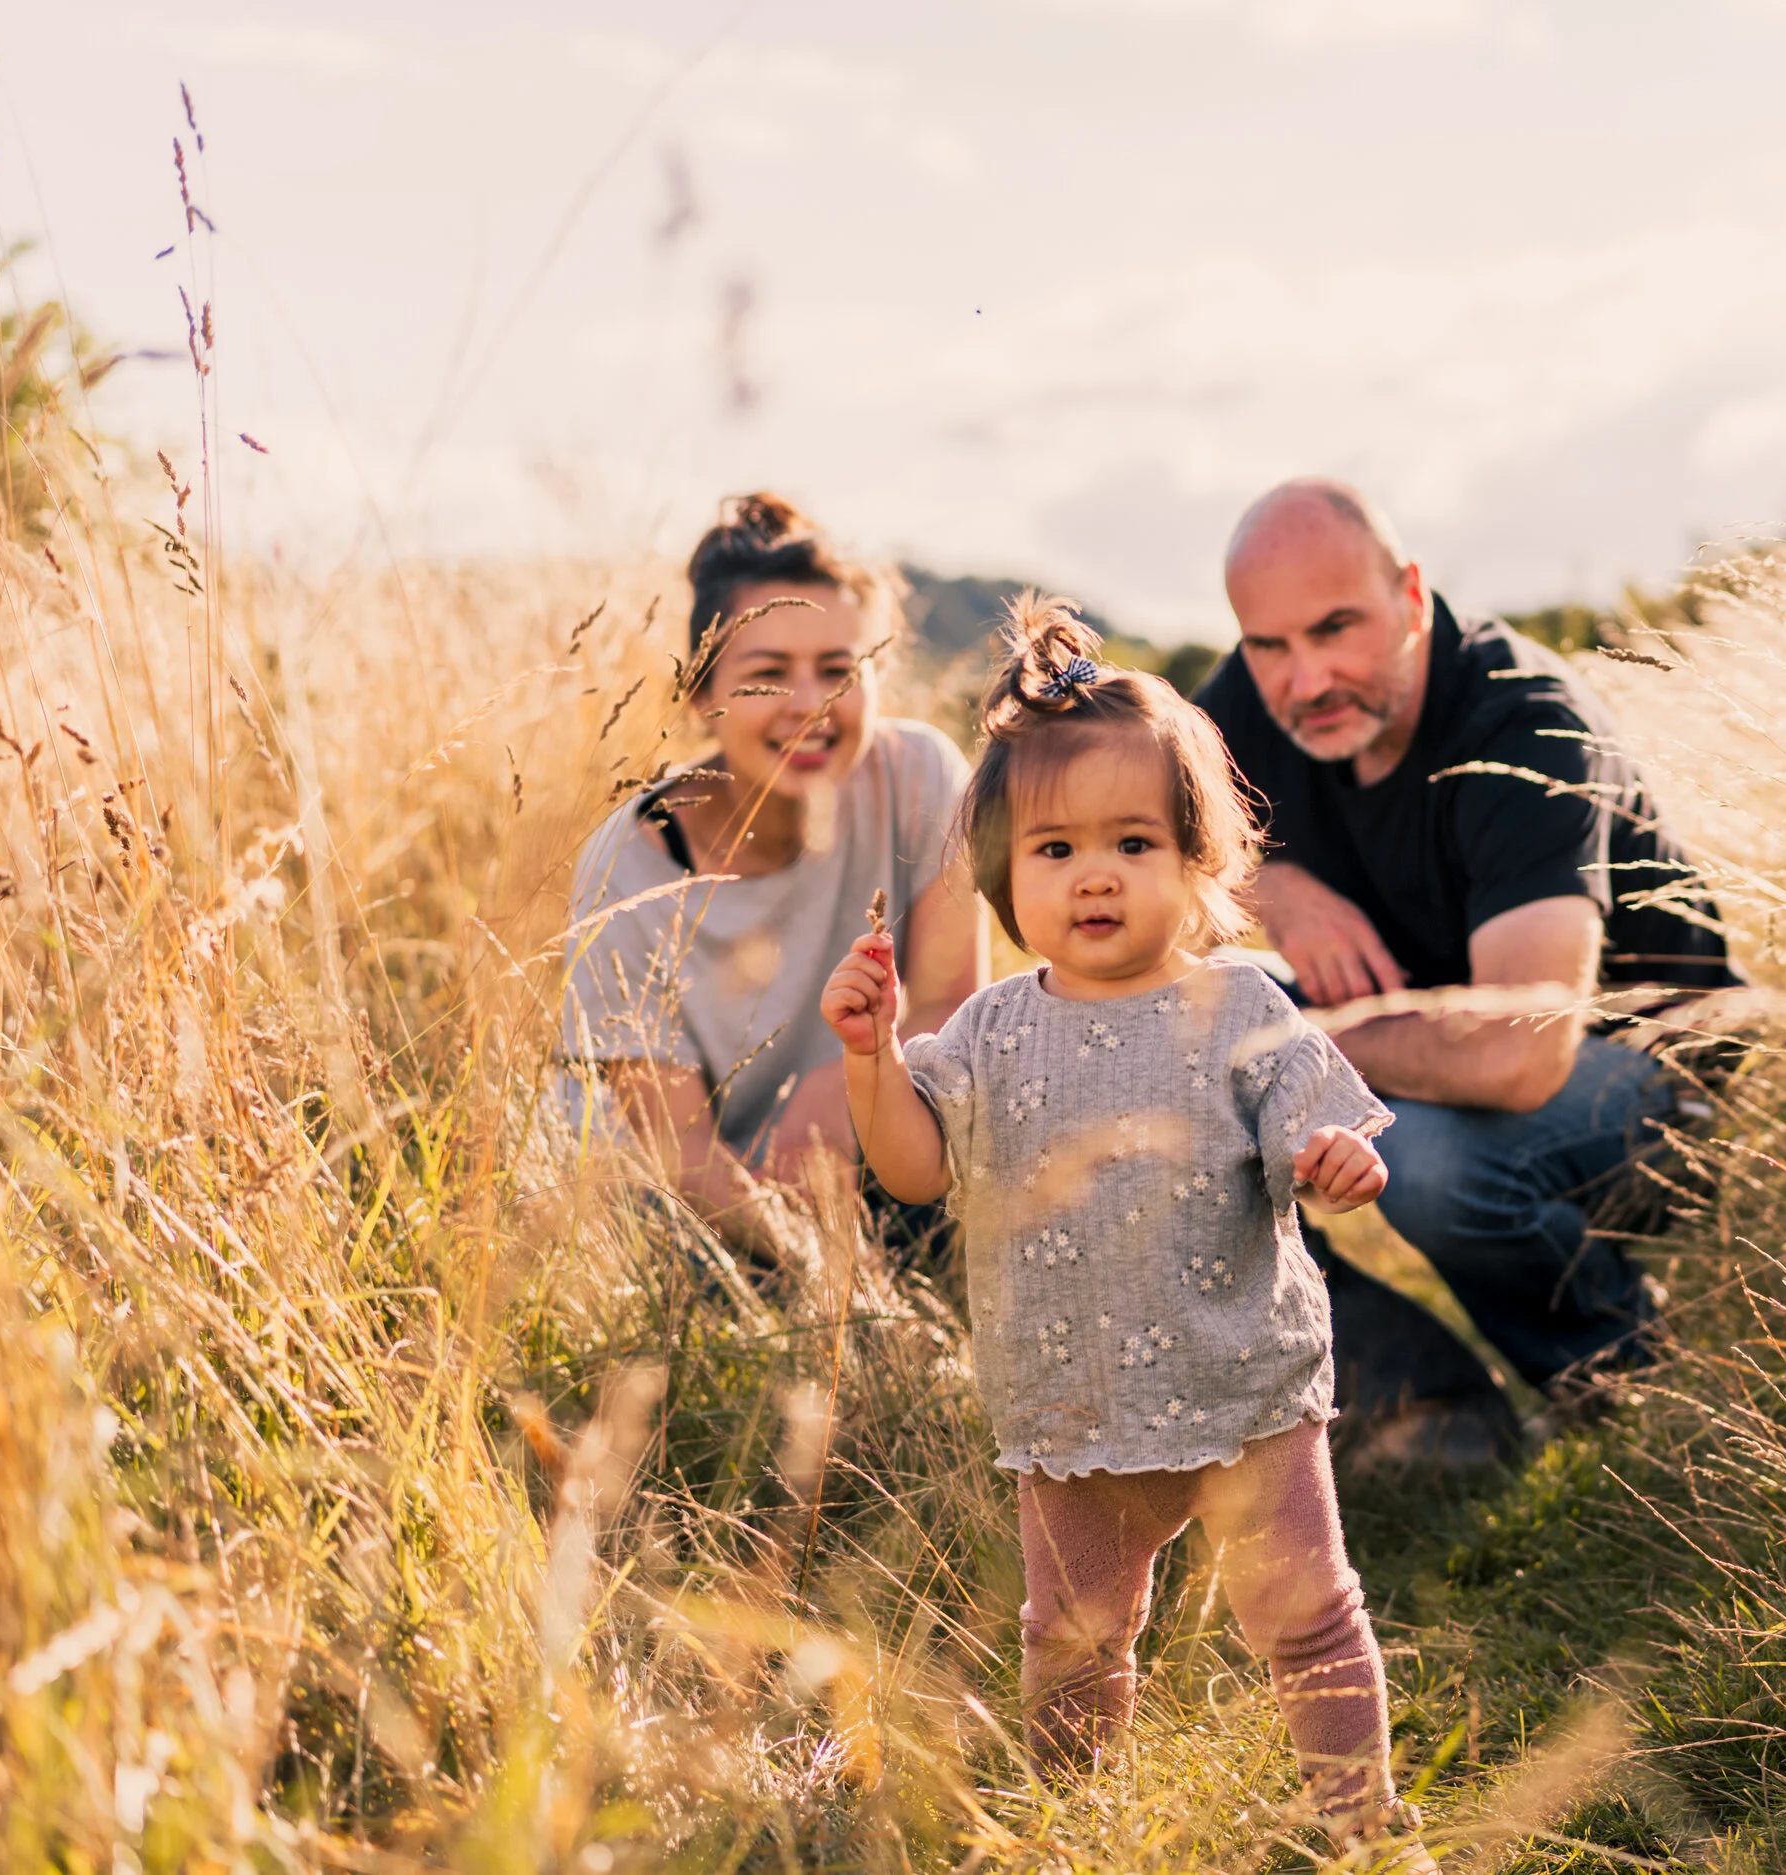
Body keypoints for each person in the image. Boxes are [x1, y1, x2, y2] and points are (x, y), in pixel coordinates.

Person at [817, 600, 1428, 1854]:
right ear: (1002, 874)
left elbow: (1322, 1141)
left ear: (1197, 860)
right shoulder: (986, 1029)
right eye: (1053, 851)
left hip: (1241, 1384)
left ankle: (1358, 1820)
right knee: (1077, 1639)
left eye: (1132, 841)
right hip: (1069, 1405)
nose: (1092, 874)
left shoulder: (1239, 1006)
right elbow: (915, 1173)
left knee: (1307, 1611)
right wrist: (871, 1060)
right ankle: (1074, 1821)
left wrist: (1336, 1164)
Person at [1195, 478, 1734, 1459]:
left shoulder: (1522, 723)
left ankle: (1620, 1385)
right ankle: (1405, 1400)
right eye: (1267, 646)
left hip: (1646, 1077)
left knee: (1424, 1161)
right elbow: (1137, 828)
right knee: (1166, 1048)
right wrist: (1273, 887)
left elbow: (1517, 1056)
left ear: (1408, 596)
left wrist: (1287, 1041)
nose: (1304, 679)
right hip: (1433, 1048)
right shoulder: (1248, 703)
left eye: (1334, 630)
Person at [560, 493, 986, 1246]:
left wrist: (845, 1085)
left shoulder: (919, 775)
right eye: (767, 674)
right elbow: (676, 1153)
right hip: (663, 1214)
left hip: (859, 1150)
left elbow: (954, 1004)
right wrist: (801, 1264)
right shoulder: (625, 866)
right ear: (701, 696)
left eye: (837, 669)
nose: (810, 706)